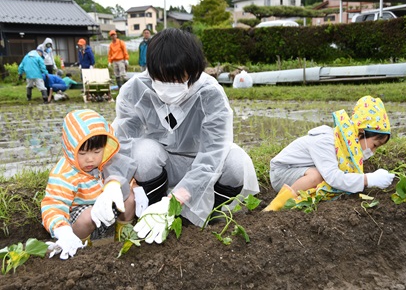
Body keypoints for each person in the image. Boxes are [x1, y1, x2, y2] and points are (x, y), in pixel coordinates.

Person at [103, 28, 260, 244]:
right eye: (161, 79)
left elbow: (213, 154)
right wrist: (113, 183)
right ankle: (152, 213)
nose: (169, 87)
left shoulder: (210, 93)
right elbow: (123, 142)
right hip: (163, 163)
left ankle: (210, 219)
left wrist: (176, 200)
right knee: (143, 153)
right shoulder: (135, 90)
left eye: (178, 80)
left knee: (235, 163)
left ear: (194, 73)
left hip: (201, 167)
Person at [264, 95, 395, 211]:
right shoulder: (326, 141)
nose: (372, 151)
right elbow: (333, 177)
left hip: (300, 171)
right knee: (318, 176)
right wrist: (368, 179)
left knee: (327, 177)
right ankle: (275, 207)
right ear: (361, 132)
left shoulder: (344, 145)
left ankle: (299, 199)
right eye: (374, 145)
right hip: (282, 172)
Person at [41, 109, 136, 259]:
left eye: (96, 152)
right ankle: (82, 249)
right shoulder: (64, 173)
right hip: (82, 220)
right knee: (87, 217)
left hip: (108, 214)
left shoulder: (107, 160)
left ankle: (123, 237)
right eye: (83, 153)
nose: (90, 159)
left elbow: (124, 178)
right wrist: (62, 230)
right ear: (71, 149)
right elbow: (53, 204)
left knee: (129, 197)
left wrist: (135, 188)